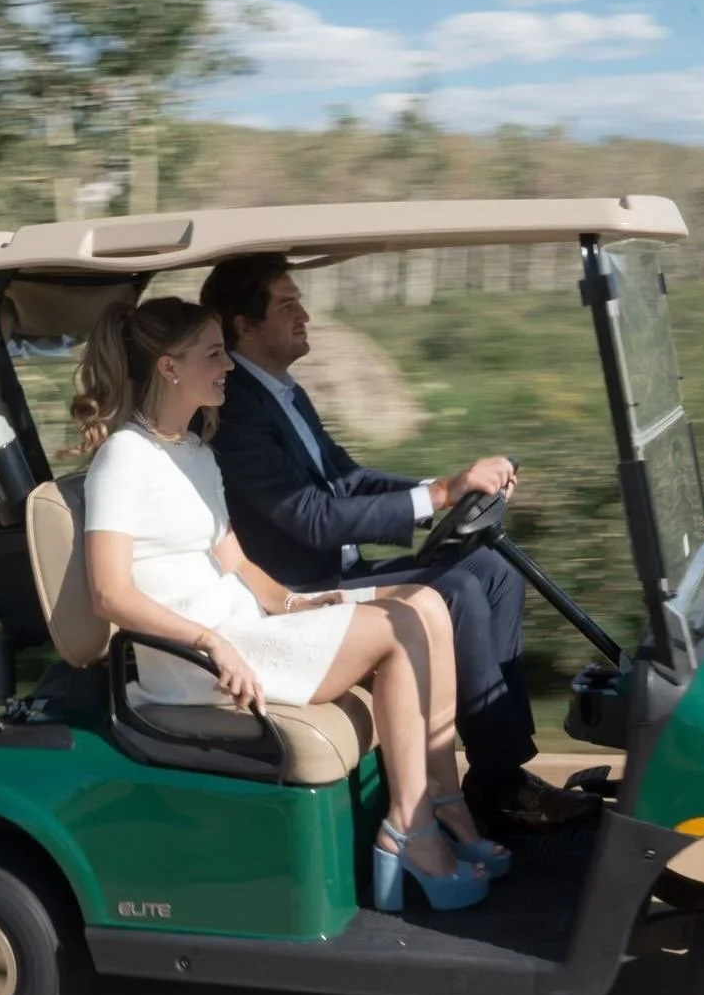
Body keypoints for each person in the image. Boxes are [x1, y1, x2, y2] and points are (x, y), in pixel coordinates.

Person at [76, 293, 510, 914]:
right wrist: (208, 641)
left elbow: (235, 561)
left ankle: (444, 805)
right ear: (170, 367)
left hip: (243, 631)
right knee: (398, 628)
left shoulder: (194, 451)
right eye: (213, 354)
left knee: (426, 603)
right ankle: (409, 831)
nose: (228, 366)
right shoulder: (123, 458)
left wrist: (298, 605)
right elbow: (109, 591)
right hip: (191, 663)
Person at [198, 254, 597, 838]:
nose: (305, 315)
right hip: (297, 593)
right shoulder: (235, 408)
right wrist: (438, 494)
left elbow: (347, 479)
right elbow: (310, 519)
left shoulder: (281, 392)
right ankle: (502, 787)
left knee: (492, 568)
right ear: (243, 326)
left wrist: (448, 487)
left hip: (338, 568)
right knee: (457, 587)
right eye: (287, 305)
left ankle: (495, 778)